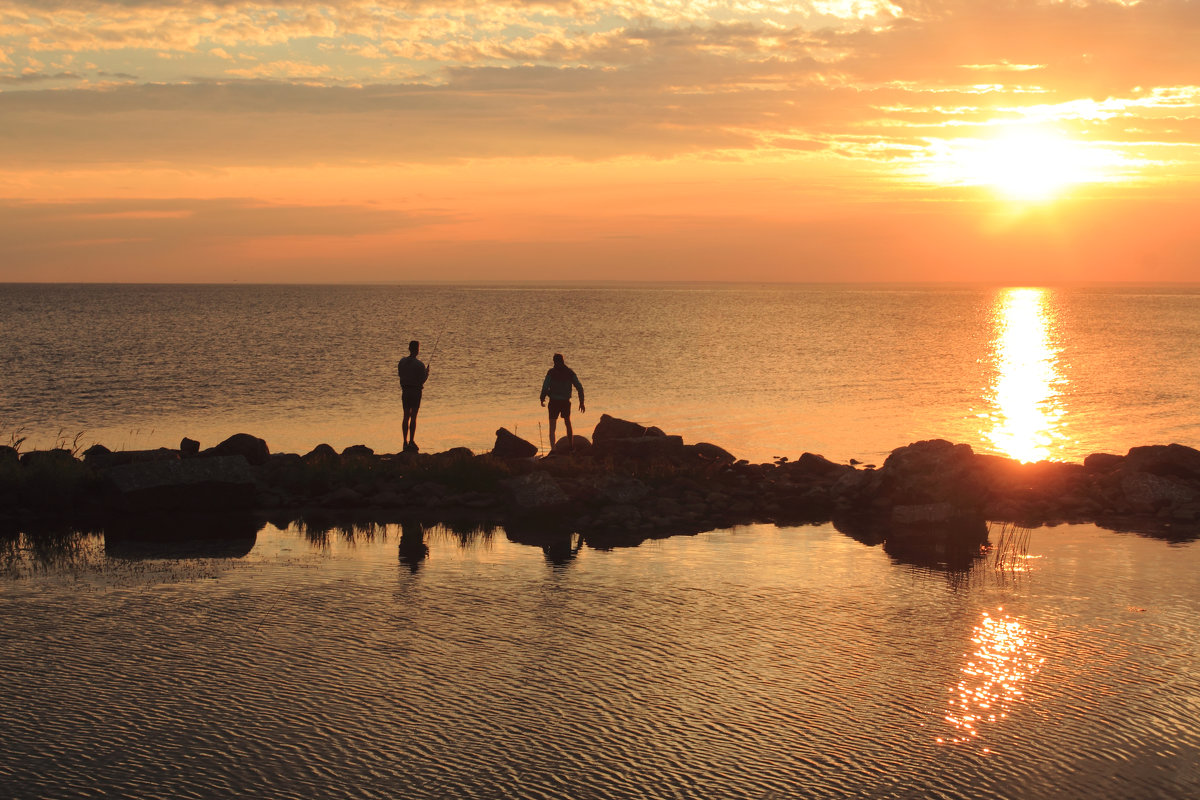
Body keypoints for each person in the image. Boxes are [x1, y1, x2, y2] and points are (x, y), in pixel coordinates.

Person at [539, 353, 585, 453]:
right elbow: (579, 387)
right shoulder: (569, 372)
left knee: (552, 426)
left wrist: (542, 397)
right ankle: (571, 447)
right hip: (565, 402)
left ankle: (553, 449)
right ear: (563, 360)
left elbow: (545, 386)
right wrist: (581, 402)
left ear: (554, 361)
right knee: (567, 423)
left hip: (554, 402)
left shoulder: (551, 372)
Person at [397, 340, 429, 451]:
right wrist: (427, 374)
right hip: (415, 392)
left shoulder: (402, 362)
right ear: (417, 350)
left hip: (405, 391)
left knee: (406, 416)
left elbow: (400, 375)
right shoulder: (420, 365)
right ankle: (411, 441)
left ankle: (404, 442)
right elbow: (422, 380)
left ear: (409, 348)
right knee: (413, 416)